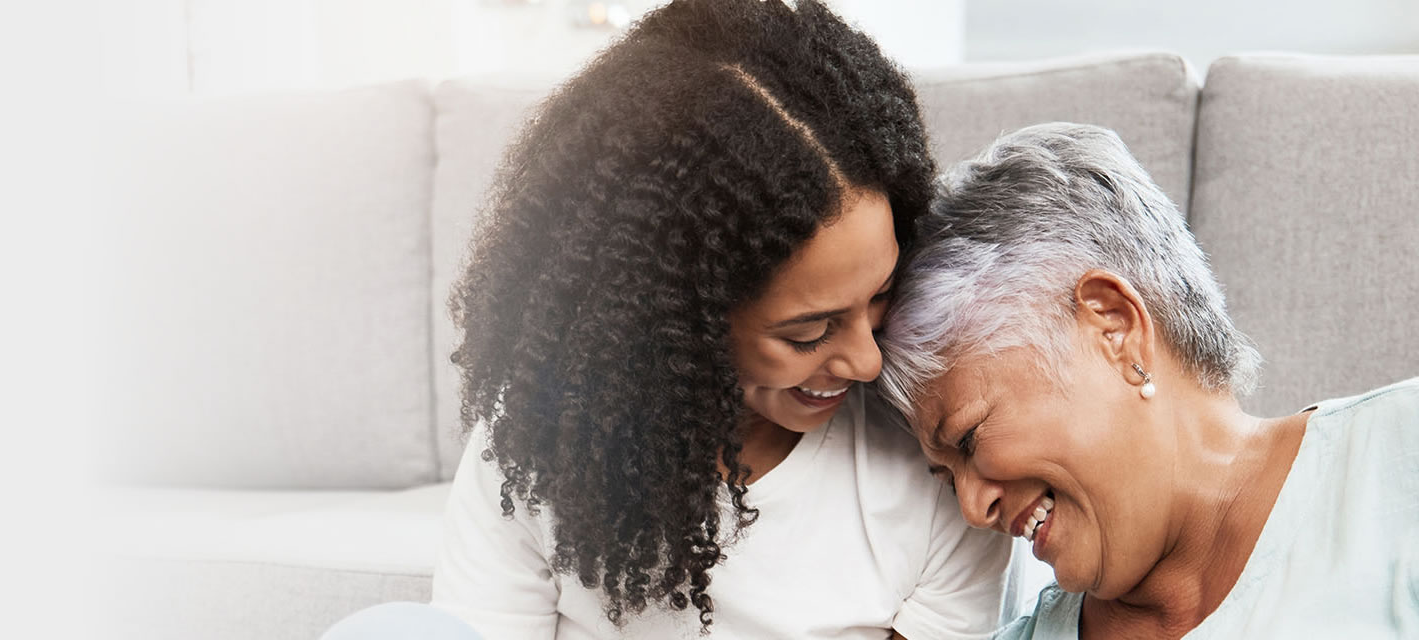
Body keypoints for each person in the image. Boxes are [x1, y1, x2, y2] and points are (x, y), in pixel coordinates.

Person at [430, 1, 1012, 637]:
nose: (868, 360)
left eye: (879, 293)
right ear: (677, 325)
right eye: (808, 332)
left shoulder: (930, 464)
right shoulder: (536, 446)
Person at [876, 122, 1419, 639]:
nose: (972, 509)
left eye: (969, 438)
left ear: (1114, 327)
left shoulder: (1398, 461)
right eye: (947, 479)